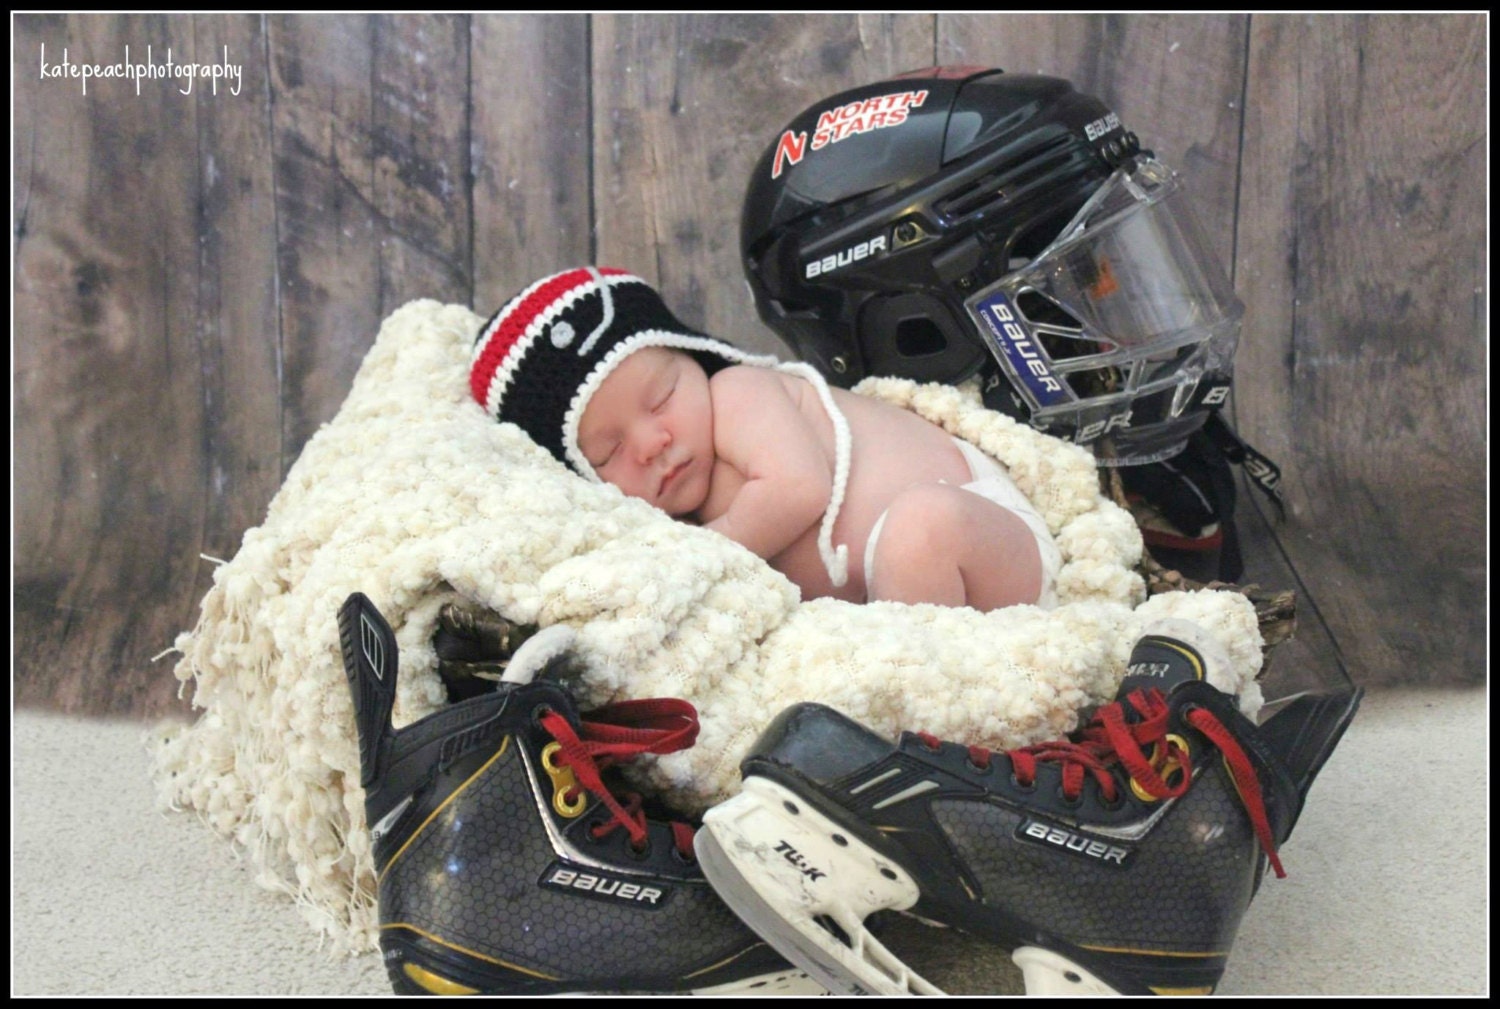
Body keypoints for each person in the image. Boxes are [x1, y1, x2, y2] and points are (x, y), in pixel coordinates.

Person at [470, 266, 1061, 612]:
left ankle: (938, 722)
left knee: (920, 527)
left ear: (697, 358)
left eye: (661, 398)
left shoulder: (737, 394)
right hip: (919, 615)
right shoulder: (673, 520)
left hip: (987, 543)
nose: (651, 442)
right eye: (607, 453)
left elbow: (798, 488)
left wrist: (693, 558)